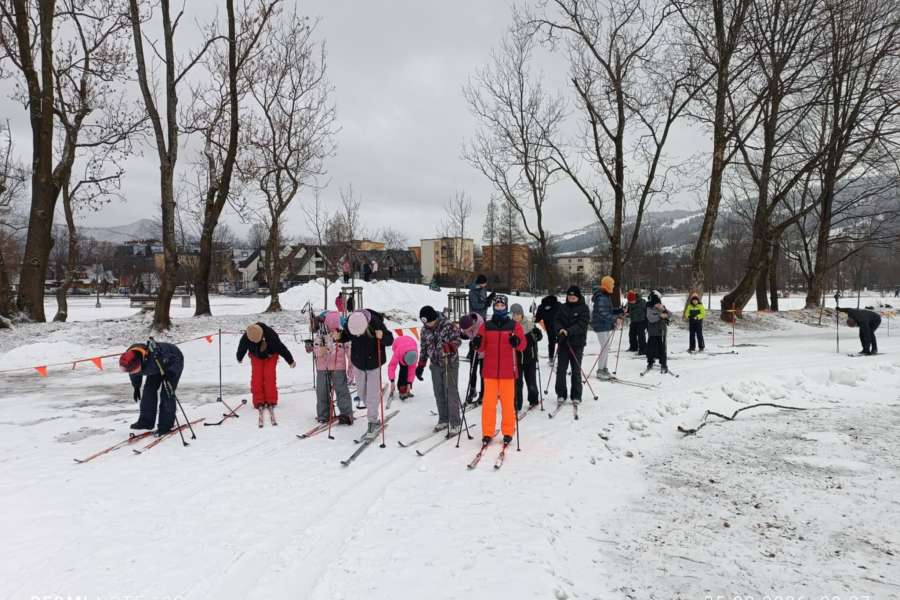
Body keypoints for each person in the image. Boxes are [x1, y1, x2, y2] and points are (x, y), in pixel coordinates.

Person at [471, 294, 524, 445]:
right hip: (490, 371)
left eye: (501, 305)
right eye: (497, 305)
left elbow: (522, 345)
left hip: (508, 371)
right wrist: (476, 342)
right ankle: (487, 432)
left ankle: (508, 431)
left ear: (506, 306)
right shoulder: (486, 325)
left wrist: (517, 341)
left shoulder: (514, 325)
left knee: (508, 404)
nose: (499, 307)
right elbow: (480, 347)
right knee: (488, 404)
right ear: (493, 306)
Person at [341, 309, 394, 439]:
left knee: (372, 393)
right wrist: (339, 337)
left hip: (374, 362)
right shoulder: (351, 321)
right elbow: (345, 336)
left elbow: (390, 339)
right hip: (358, 361)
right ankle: (372, 410)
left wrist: (382, 337)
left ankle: (372, 421)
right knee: (361, 393)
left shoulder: (376, 322)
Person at [237, 322, 296, 427]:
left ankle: (271, 400)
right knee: (256, 378)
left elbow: (282, 349)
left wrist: (290, 361)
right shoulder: (248, 334)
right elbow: (242, 346)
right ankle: (258, 400)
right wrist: (239, 357)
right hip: (255, 356)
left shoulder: (271, 336)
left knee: (269, 376)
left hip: (270, 356)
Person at [119, 340, 184, 434]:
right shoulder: (130, 358)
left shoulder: (154, 357)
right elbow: (133, 373)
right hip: (156, 367)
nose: (132, 372)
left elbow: (172, 360)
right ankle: (146, 421)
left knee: (166, 393)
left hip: (173, 362)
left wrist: (170, 375)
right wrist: (136, 386)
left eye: (133, 370)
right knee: (148, 391)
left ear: (139, 363)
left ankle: (166, 425)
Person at [416, 305, 463, 434]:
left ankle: (455, 422)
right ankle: (443, 419)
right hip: (435, 364)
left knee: (450, 392)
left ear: (435, 318)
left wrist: (450, 346)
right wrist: (420, 365)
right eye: (426, 323)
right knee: (439, 392)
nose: (429, 325)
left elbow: (458, 340)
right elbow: (424, 348)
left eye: (430, 322)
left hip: (450, 363)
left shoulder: (448, 325)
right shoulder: (424, 330)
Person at [310, 311, 354, 425]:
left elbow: (350, 353)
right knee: (322, 391)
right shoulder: (321, 334)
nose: (332, 327)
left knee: (341, 390)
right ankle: (324, 414)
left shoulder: (342, 335)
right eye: (331, 324)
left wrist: (351, 371)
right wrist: (321, 350)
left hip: (338, 367)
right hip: (322, 367)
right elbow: (315, 349)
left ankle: (346, 414)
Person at [553, 285, 590, 406]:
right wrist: (560, 330)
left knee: (576, 370)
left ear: (578, 297)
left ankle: (576, 395)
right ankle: (561, 393)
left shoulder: (584, 308)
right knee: (561, 369)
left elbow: (582, 324)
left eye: (574, 297)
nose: (571, 298)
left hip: (577, 343)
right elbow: (556, 321)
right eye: (569, 297)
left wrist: (568, 331)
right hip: (563, 342)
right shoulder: (562, 307)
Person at [591, 276, 624, 380]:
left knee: (606, 348)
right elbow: (602, 313)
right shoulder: (601, 296)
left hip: (604, 325)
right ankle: (600, 370)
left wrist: (618, 311)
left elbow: (608, 310)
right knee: (604, 348)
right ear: (608, 285)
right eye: (612, 284)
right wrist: (615, 319)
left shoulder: (605, 295)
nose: (613, 286)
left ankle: (604, 369)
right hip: (600, 325)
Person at [511, 303, 542, 412]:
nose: (515, 317)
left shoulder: (529, 324)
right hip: (517, 359)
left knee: (531, 381)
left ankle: (533, 400)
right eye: (513, 315)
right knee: (517, 383)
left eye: (517, 314)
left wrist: (537, 334)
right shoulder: (511, 327)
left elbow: (539, 336)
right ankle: (517, 404)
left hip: (530, 358)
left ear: (522, 314)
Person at [459, 311, 485, 405]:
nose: (465, 330)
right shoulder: (467, 322)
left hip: (484, 348)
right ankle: (472, 390)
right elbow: (467, 335)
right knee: (472, 370)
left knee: (482, 372)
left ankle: (483, 393)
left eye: (467, 329)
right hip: (474, 346)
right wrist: (461, 334)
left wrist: (478, 344)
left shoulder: (480, 324)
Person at [388, 334, 419, 400]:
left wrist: (409, 383)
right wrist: (392, 381)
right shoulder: (398, 352)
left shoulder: (415, 356)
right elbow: (391, 366)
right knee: (403, 370)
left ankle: (407, 388)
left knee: (409, 370)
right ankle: (402, 390)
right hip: (397, 344)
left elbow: (412, 371)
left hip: (411, 343)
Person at [645, 291, 670, 373]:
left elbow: (670, 315)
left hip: (661, 331)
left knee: (662, 349)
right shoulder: (649, 308)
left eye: (659, 304)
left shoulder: (662, 307)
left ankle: (663, 364)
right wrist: (660, 316)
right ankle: (650, 362)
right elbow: (651, 319)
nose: (658, 305)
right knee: (651, 348)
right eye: (656, 304)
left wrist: (666, 312)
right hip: (652, 332)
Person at [534, 294, 561, 363]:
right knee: (551, 342)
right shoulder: (541, 307)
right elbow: (537, 318)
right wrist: (533, 318)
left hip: (560, 327)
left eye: (548, 307)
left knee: (561, 343)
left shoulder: (558, 305)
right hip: (549, 328)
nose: (547, 308)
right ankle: (551, 358)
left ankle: (562, 359)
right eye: (546, 307)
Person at [626, 290, 647, 355]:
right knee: (631, 334)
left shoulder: (642, 302)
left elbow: (647, 311)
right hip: (633, 321)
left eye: (632, 301)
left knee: (641, 336)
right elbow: (629, 312)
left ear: (635, 298)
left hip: (642, 321)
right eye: (630, 301)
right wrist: (627, 314)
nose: (631, 302)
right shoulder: (629, 303)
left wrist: (647, 320)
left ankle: (643, 349)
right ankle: (633, 347)